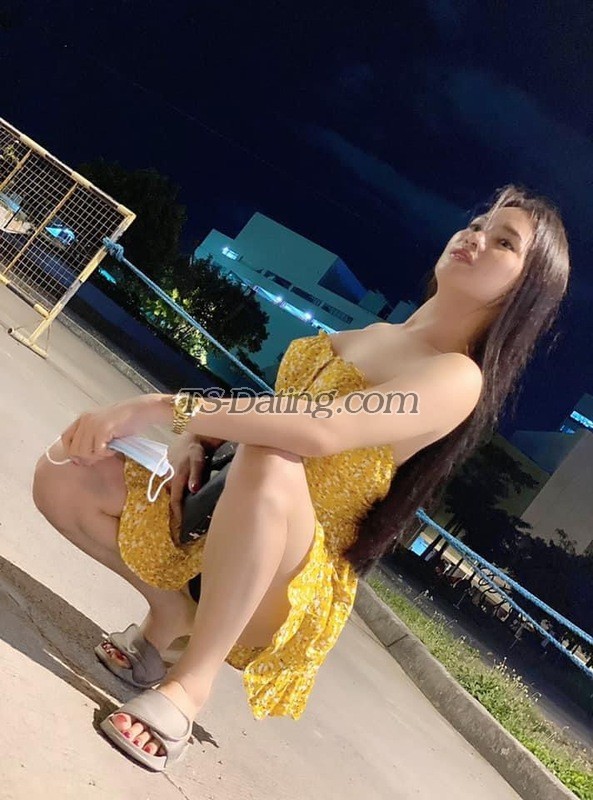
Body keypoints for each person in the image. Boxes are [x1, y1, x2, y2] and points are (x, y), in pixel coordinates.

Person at [32, 184, 570, 771]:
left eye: (504, 242)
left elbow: (319, 429)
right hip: (222, 507)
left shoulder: (457, 377)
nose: (476, 237)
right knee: (65, 470)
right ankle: (169, 617)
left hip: (293, 571)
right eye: (479, 223)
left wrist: (165, 407)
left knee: (272, 456)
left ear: (525, 291)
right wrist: (197, 439)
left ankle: (188, 687)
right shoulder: (377, 334)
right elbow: (279, 406)